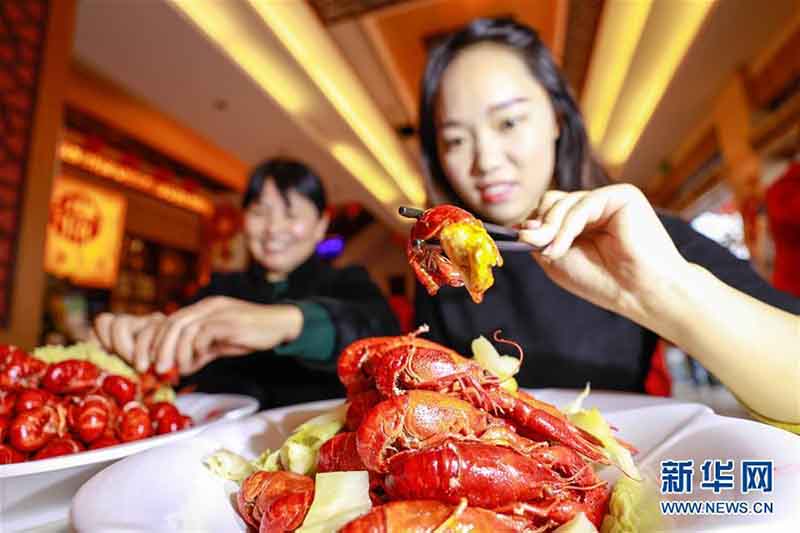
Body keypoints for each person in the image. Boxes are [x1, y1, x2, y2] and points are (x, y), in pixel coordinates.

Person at [415, 18, 800, 424]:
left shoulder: (639, 234)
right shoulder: (443, 268)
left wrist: (663, 292)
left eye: (509, 122)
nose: (486, 161)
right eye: (456, 140)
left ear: (558, 119)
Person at [93, 158, 399, 407]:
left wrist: (284, 323)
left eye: (291, 213)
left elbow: (377, 332)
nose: (273, 228)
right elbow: (175, 365)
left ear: (321, 225)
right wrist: (142, 342)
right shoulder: (218, 290)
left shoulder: (347, 281)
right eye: (260, 213)